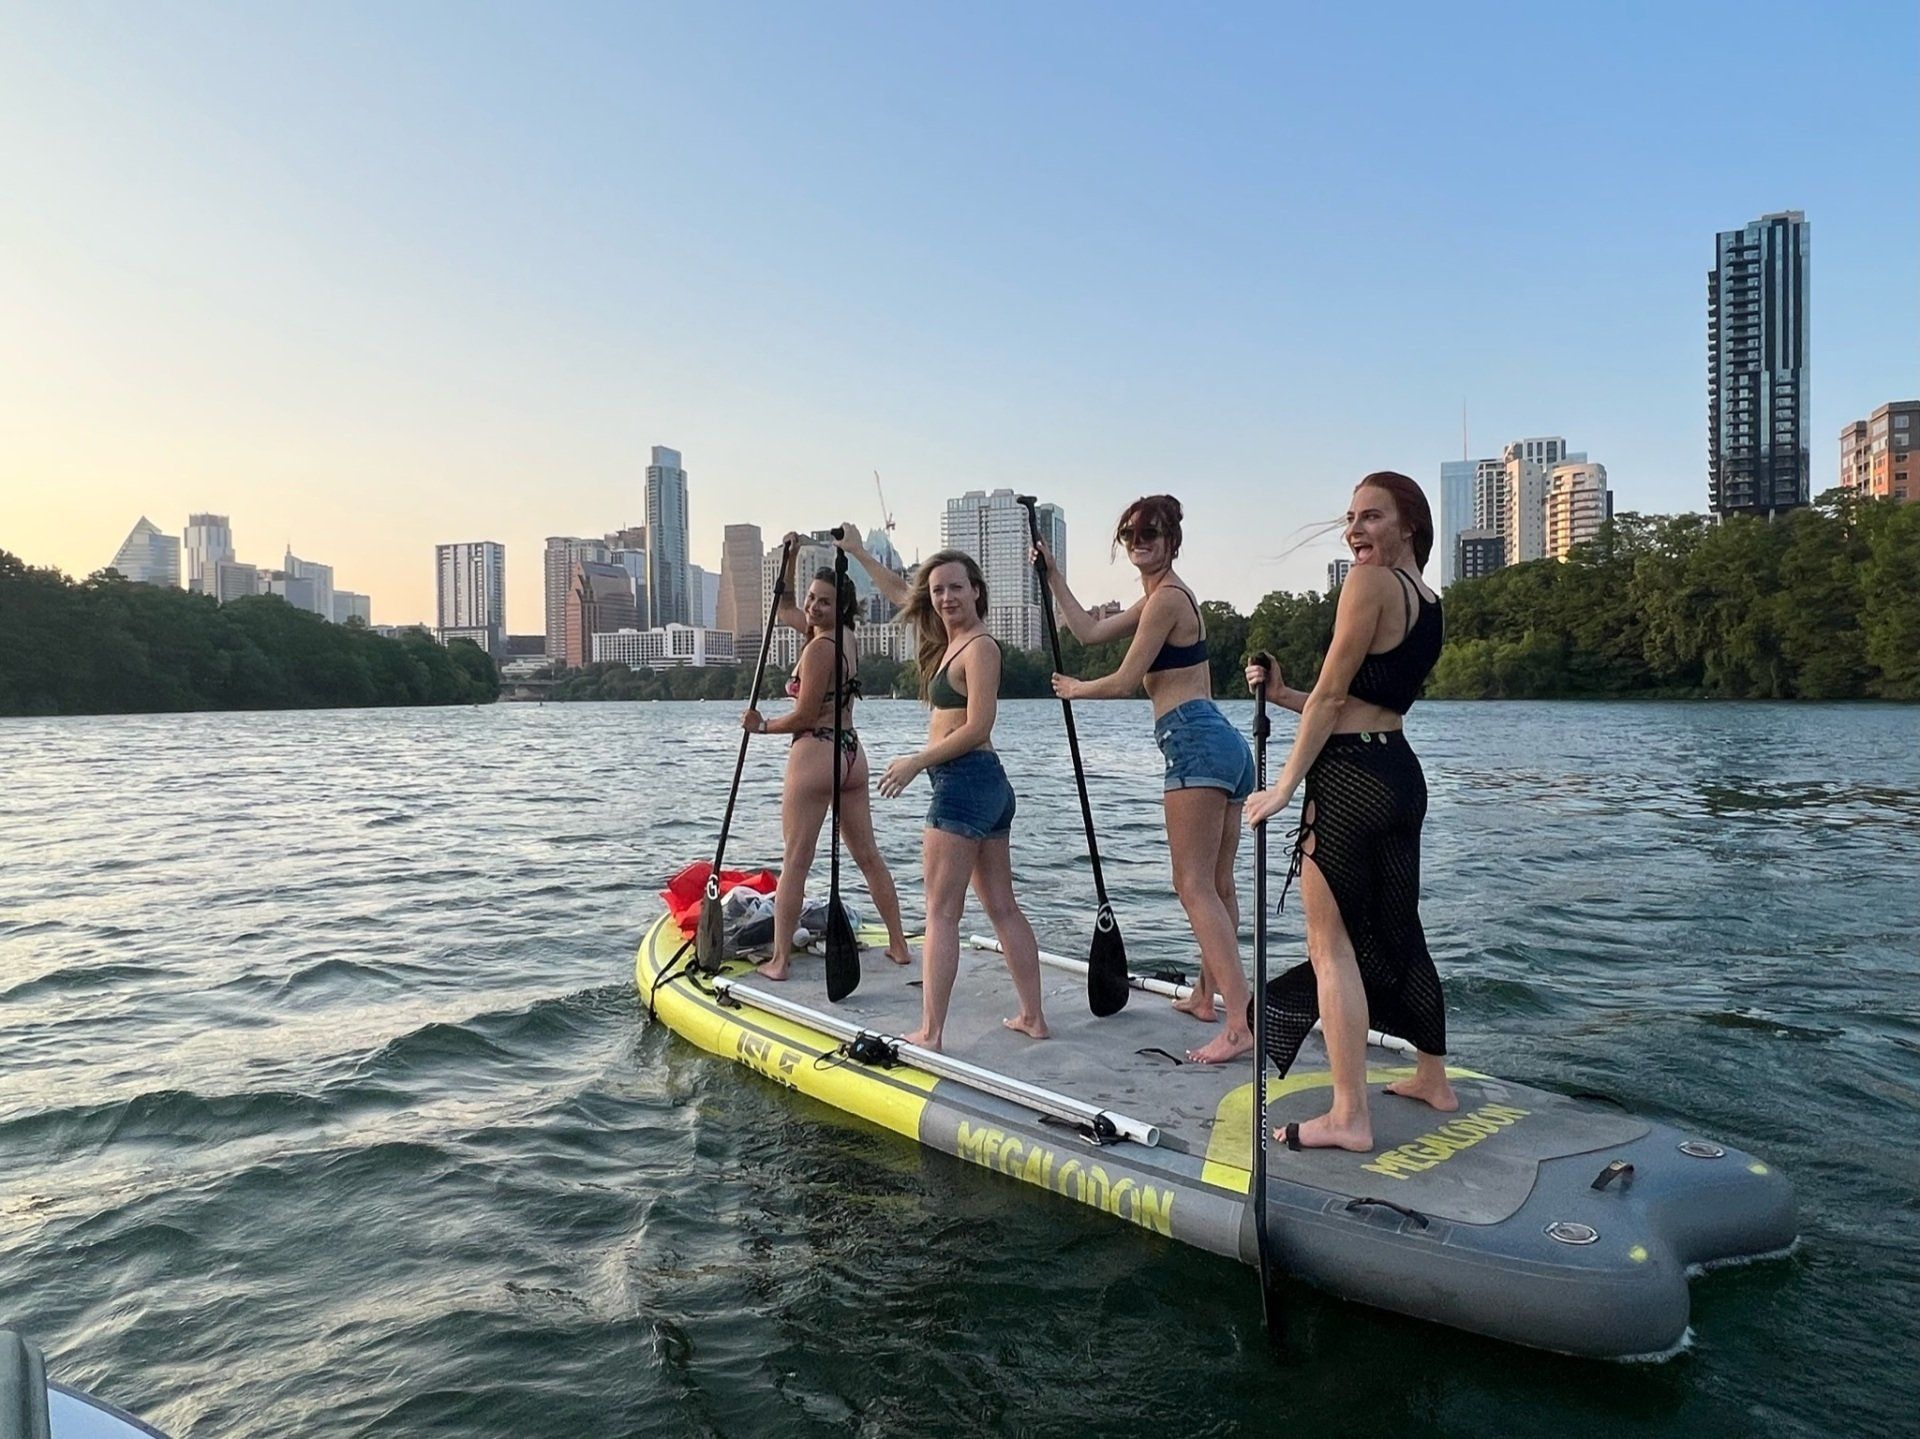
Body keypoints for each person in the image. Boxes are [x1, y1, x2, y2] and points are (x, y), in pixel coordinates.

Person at [1243, 471, 1458, 1153]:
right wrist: (1282, 694)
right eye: (1351, 518)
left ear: (1410, 525)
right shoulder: (1429, 601)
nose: (1355, 530)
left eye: (1372, 516)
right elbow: (1355, 701)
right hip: (1398, 770)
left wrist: (1281, 787)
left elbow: (1335, 700)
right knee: (1400, 930)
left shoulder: (1367, 585)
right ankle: (1433, 1077)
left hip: (1350, 781)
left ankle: (1348, 1115)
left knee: (1328, 949)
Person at [1037, 495, 1255, 1065]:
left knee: (1193, 885)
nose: (1140, 542)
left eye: (1151, 533)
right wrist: (1054, 575)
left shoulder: (1167, 600)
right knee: (1218, 885)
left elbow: (1129, 678)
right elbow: (1086, 630)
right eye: (1131, 533)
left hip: (1193, 740)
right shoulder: (1162, 598)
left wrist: (1075, 690)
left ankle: (1238, 1023)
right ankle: (1207, 997)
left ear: (1172, 541)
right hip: (1223, 744)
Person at [836, 527, 1048, 1051]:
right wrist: (860, 551)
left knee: (941, 912)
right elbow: (896, 591)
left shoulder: (980, 649)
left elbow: (977, 726)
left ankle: (930, 1032)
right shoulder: (950, 640)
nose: (946, 597)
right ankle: (1033, 1017)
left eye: (956, 587)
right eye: (938, 591)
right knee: (1001, 906)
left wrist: (915, 762)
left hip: (965, 782)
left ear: (977, 589)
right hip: (985, 786)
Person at [741, 538, 910, 981]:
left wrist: (761, 726)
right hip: (853, 754)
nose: (813, 608)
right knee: (868, 855)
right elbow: (785, 610)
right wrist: (791, 558)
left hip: (816, 753)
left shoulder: (818, 649)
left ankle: (779, 961)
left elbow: (805, 714)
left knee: (796, 858)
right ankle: (898, 944)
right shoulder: (846, 639)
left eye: (825, 602)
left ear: (843, 606)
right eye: (813, 599)